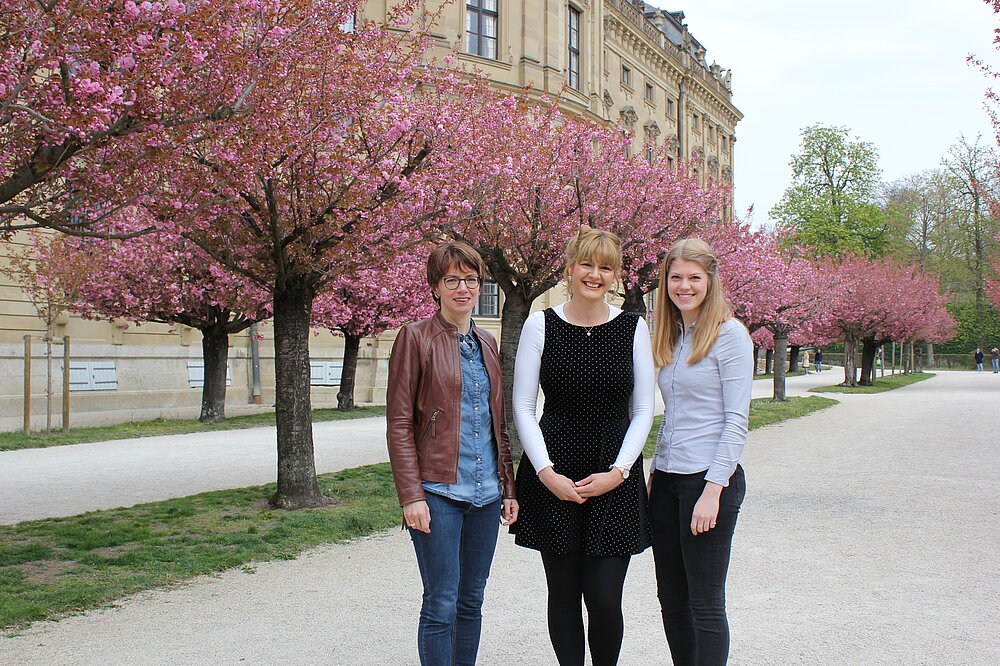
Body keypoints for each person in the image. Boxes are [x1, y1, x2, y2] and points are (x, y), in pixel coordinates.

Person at [511, 226, 654, 666]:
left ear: (615, 276)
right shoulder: (541, 323)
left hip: (614, 473)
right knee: (564, 595)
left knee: (606, 599)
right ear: (571, 268)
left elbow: (645, 407)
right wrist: (545, 472)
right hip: (554, 471)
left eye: (605, 268)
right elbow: (521, 405)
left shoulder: (633, 327)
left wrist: (621, 470)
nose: (595, 275)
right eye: (587, 265)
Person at [386, 241, 518, 666]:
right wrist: (411, 496)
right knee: (441, 602)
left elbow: (497, 424)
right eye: (452, 280)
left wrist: (509, 487)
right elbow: (400, 423)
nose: (463, 288)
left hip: (486, 495)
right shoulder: (415, 337)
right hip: (438, 492)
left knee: (471, 602)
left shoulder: (487, 342)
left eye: (471, 280)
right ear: (436, 287)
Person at [648, 238, 753, 666]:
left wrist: (713, 490)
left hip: (708, 481)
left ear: (710, 281)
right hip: (669, 480)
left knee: (705, 602)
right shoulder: (669, 335)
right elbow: (673, 413)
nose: (684, 286)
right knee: (671, 598)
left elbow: (736, 421)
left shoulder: (729, 336)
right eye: (676, 277)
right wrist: (656, 468)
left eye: (694, 277)